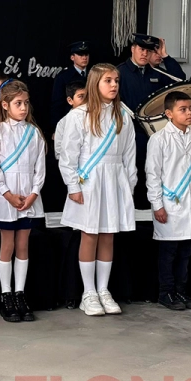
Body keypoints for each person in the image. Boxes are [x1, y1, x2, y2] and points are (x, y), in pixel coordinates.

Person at [59, 63, 136, 317]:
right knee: (89, 234)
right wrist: (73, 186)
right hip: (89, 181)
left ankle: (104, 289)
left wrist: (128, 185)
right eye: (108, 81)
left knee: (108, 235)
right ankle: (88, 292)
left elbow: (129, 155)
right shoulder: (79, 116)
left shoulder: (123, 114)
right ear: (95, 84)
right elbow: (69, 155)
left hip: (114, 180)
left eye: (116, 80)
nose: (114, 85)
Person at [0, 80, 46, 323]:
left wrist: (33, 194)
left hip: (28, 197)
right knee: (6, 246)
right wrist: (7, 193)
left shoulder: (34, 133)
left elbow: (40, 168)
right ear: (6, 105)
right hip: (5, 197)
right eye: (18, 103)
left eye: (26, 103)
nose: (23, 108)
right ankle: (5, 294)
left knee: (23, 246)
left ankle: (20, 293)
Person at [145, 91, 191, 310]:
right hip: (169, 204)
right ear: (169, 114)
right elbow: (153, 175)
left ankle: (181, 292)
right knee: (169, 252)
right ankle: (166, 293)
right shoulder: (158, 139)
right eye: (183, 109)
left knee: (186, 252)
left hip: (190, 203)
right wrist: (157, 204)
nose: (189, 113)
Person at [117, 34, 185, 207]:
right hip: (130, 134)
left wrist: (166, 57)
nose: (144, 54)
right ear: (133, 48)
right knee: (133, 174)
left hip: (154, 135)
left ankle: (148, 217)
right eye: (141, 49)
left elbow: (181, 81)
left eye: (148, 51)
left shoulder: (156, 73)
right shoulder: (119, 72)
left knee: (154, 174)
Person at [50, 41, 90, 129]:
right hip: (70, 122)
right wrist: (55, 128)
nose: (84, 57)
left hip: (90, 120)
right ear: (72, 57)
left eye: (86, 54)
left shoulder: (93, 74)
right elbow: (58, 104)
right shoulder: (63, 77)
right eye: (80, 54)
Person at [54, 80, 87, 161]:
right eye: (81, 96)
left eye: (88, 96)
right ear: (70, 100)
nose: (86, 100)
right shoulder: (63, 123)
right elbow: (58, 152)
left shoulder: (95, 118)